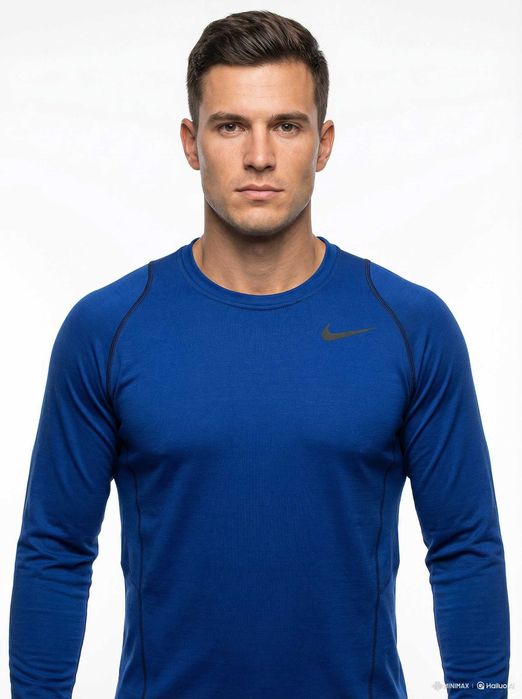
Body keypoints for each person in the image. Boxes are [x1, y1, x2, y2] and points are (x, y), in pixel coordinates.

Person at [9, 9, 510, 699]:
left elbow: (464, 548)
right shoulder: (106, 330)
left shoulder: (411, 327)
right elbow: (56, 551)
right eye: (230, 126)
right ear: (191, 142)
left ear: (323, 143)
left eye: (287, 126)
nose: (259, 157)